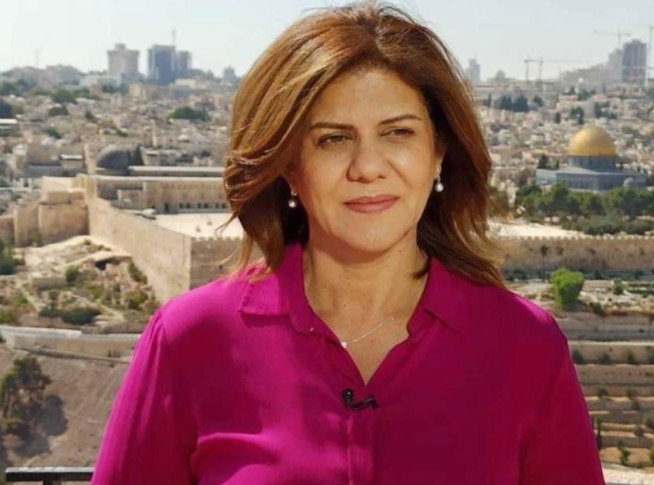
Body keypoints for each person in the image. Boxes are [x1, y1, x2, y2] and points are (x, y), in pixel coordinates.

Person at [91, 2, 605, 484]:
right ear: (290, 166)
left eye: (398, 133)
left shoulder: (523, 346)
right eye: (332, 139)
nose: (368, 168)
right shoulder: (191, 339)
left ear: (439, 154)